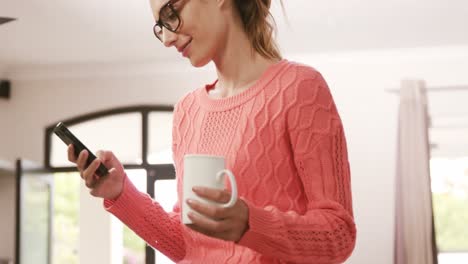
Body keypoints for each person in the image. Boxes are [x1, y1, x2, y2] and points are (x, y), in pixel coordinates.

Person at [68, 0, 357, 263]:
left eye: (172, 14)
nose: (167, 38)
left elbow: (339, 234)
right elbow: (187, 244)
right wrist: (120, 193)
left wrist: (250, 224)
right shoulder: (187, 111)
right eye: (160, 27)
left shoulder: (300, 87)